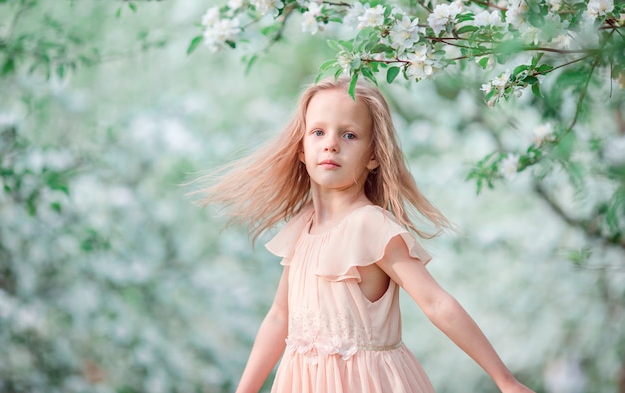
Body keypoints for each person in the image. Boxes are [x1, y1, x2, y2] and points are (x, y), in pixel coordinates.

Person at [198, 77, 536, 393]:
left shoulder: (371, 226)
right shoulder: (303, 228)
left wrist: (504, 380)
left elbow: (436, 303)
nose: (330, 144)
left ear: (373, 156)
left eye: (349, 135)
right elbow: (279, 317)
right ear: (301, 150)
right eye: (318, 132)